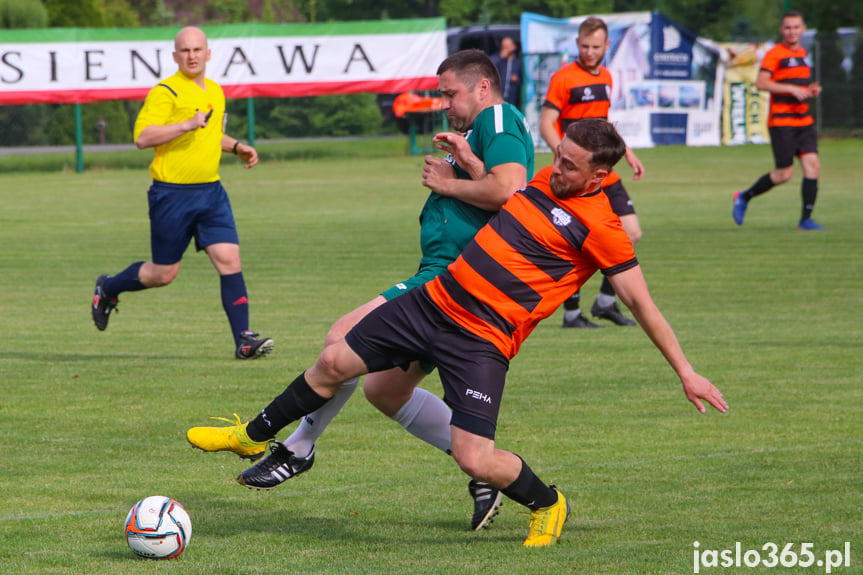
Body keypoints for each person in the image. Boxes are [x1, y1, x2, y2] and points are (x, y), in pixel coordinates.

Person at [186, 119, 728, 547]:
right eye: (557, 156)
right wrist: (469, 163)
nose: (556, 168)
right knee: (335, 362)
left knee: (475, 457)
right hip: (434, 302)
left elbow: (642, 302)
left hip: (482, 339)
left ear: (598, 177)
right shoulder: (545, 179)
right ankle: (252, 435)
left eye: (569, 165)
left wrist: (686, 371)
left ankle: (547, 503)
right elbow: (510, 199)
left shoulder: (603, 228)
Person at [188, 49, 534, 530]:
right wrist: (466, 164)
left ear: (482, 87)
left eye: (450, 93)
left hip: (451, 279)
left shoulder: (497, 116)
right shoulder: (478, 133)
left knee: (341, 339)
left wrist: (449, 183)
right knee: (385, 391)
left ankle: (295, 448)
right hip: (448, 277)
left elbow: (514, 191)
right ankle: (485, 471)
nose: (444, 102)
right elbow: (498, 187)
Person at [90, 26, 273, 360]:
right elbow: (143, 137)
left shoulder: (216, 92)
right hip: (172, 195)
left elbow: (212, 133)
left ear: (208, 54)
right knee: (164, 274)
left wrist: (237, 147)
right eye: (185, 51)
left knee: (230, 259)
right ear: (175, 56)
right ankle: (109, 287)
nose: (191, 56)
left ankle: (244, 341)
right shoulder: (166, 92)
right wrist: (185, 124)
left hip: (211, 192)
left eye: (197, 50)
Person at [539, 17, 646, 329]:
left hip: (604, 173)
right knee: (576, 243)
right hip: (579, 176)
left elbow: (603, 124)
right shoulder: (564, 79)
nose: (589, 52)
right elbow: (547, 121)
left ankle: (604, 302)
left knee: (631, 232)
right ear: (577, 43)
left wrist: (626, 151)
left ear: (606, 46)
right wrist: (565, 156)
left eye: (595, 47)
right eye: (584, 46)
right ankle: (572, 312)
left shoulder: (608, 77)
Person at [733, 11, 823, 231]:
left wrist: (809, 91)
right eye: (787, 28)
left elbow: (798, 85)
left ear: (803, 29)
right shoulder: (775, 54)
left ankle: (805, 220)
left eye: (796, 27)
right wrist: (792, 89)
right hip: (782, 121)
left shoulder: (803, 53)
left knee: (813, 166)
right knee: (784, 174)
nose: (792, 31)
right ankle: (744, 196)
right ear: (782, 30)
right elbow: (762, 82)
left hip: (803, 120)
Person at [490, 36, 523, 109]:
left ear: (513, 47)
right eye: (503, 46)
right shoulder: (497, 59)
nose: (506, 49)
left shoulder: (517, 62)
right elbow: (490, 68)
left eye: (508, 46)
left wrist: (516, 80)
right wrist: (501, 58)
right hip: (497, 96)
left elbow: (522, 80)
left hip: (511, 98)